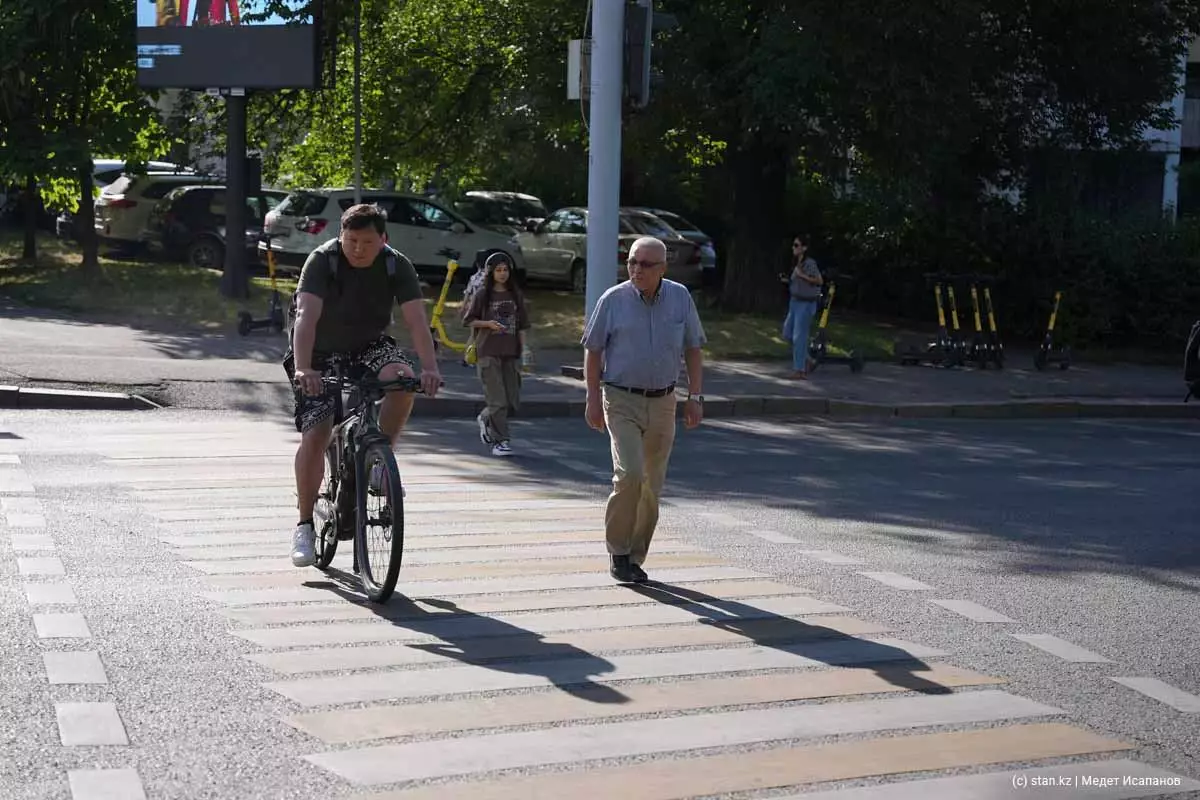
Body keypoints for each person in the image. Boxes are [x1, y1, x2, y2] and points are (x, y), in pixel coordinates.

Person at [284, 203, 441, 567]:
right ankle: (305, 524)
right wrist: (305, 367)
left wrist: (430, 368)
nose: (357, 248)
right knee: (317, 432)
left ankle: (377, 461)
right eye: (351, 240)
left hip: (368, 345)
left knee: (402, 381)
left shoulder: (395, 264)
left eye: (367, 242)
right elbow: (305, 316)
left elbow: (417, 321)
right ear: (341, 235)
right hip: (317, 352)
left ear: (383, 240)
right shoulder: (323, 261)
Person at [582, 236, 706, 584]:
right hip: (620, 398)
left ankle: (635, 557)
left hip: (664, 401)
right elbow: (593, 350)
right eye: (632, 261)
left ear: (663, 269)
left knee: (652, 484)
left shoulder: (680, 297)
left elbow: (694, 349)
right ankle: (617, 552)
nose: (636, 269)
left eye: (645, 264)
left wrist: (695, 397)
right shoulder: (614, 299)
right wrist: (592, 397)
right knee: (630, 474)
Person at [463, 252, 530, 456]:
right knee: (498, 401)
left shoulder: (515, 294)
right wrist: (487, 324)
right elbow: (468, 320)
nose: (502, 274)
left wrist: (525, 348)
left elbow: (522, 325)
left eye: (505, 270)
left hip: (510, 352)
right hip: (487, 351)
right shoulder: (483, 294)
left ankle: (485, 417)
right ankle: (501, 442)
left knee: (511, 400)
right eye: (498, 270)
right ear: (491, 272)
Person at [781, 234, 823, 379]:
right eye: (793, 245)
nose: (794, 248)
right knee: (787, 333)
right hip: (794, 302)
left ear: (804, 248)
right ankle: (809, 360)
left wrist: (802, 276)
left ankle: (800, 371)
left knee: (799, 336)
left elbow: (819, 280)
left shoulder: (809, 263)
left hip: (805, 304)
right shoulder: (795, 263)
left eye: (797, 245)